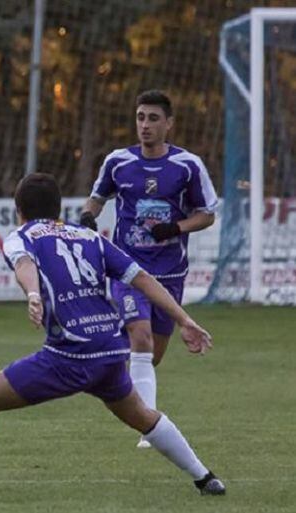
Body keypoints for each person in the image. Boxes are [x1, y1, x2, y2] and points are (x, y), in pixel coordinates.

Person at [0, 173, 225, 498]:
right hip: (110, 348)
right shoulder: (89, 237)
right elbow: (143, 278)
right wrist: (184, 319)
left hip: (70, 355)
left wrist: (33, 294)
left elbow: (25, 266)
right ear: (59, 208)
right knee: (142, 415)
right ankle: (205, 477)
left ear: (17, 209)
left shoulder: (21, 236)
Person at [79, 90, 218, 448]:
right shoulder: (118, 162)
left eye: (153, 118)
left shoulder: (187, 166)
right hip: (127, 267)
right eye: (141, 117)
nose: (145, 125)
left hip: (170, 272)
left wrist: (177, 227)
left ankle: (115, 378)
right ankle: (151, 430)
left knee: (150, 355)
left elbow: (207, 214)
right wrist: (87, 217)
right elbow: (97, 197)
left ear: (169, 123)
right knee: (139, 337)